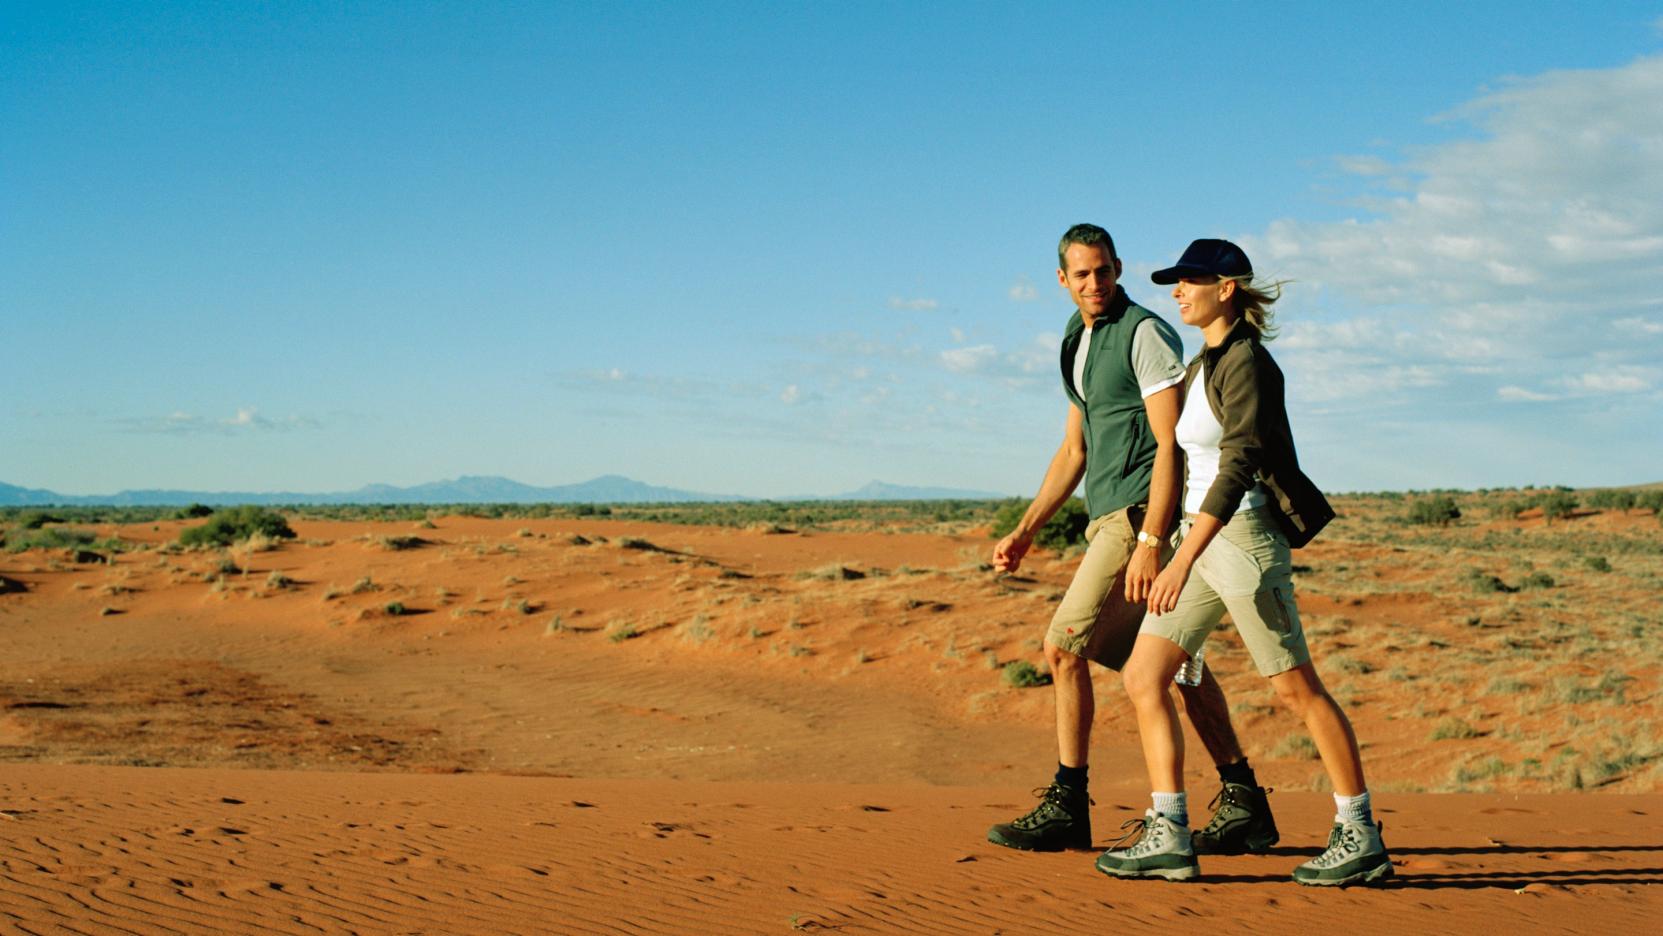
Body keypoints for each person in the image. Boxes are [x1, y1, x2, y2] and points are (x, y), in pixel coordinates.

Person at [1094, 238, 1392, 886]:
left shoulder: (1248, 365)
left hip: (1241, 541)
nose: (1177, 291)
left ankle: (1359, 833)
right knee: (1145, 676)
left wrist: (1178, 559)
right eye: (1175, 282)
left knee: (1295, 688)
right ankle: (1168, 832)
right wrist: (1166, 545)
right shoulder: (1206, 363)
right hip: (1200, 542)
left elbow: (1236, 467)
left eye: (1189, 281)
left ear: (1226, 287)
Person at [987, 225, 1276, 854]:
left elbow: (1170, 443)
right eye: (1082, 275)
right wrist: (1026, 529)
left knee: (1063, 648)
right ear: (1062, 280)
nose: (1096, 285)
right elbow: (1074, 448)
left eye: (1104, 271)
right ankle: (1243, 795)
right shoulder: (1076, 339)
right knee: (1177, 665)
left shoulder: (1144, 333)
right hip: (1108, 515)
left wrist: (1150, 537)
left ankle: (1069, 801)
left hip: (1139, 515)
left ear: (1118, 268)